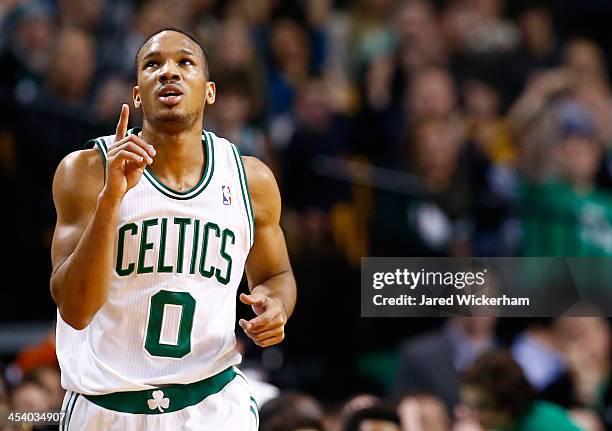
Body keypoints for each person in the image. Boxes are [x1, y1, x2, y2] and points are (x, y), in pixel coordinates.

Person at [50, 28, 296, 430]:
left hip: (213, 403)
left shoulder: (251, 179)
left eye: (185, 63)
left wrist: (275, 305)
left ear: (209, 91)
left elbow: (275, 275)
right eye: (153, 65)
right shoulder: (87, 170)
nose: (168, 73)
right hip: (108, 407)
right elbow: (75, 311)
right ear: (136, 94)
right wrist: (110, 202)